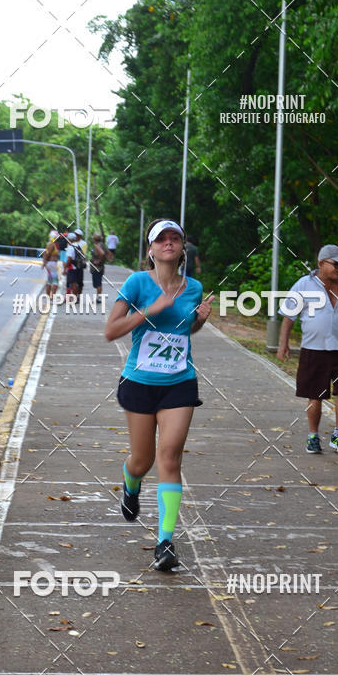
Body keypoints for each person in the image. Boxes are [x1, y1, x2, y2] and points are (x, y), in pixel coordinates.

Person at [105, 218, 214, 571]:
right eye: (161, 239)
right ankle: (130, 482)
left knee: (170, 456)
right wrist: (148, 311)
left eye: (175, 238)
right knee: (143, 460)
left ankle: (165, 542)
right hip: (139, 381)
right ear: (150, 250)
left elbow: (185, 331)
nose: (168, 243)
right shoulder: (137, 283)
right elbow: (111, 330)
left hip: (179, 380)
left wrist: (199, 320)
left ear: (182, 248)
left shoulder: (193, 287)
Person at [277, 244, 338, 455]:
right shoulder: (303, 285)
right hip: (314, 349)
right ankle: (313, 436)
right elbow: (288, 318)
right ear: (321, 263)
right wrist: (283, 344)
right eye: (336, 264)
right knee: (315, 395)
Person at [89, 232, 106, 302]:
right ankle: (99, 296)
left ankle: (99, 297)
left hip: (97, 267)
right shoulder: (102, 245)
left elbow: (102, 253)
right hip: (100, 267)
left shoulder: (97, 246)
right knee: (98, 282)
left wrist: (98, 261)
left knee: (98, 283)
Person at [72, 229, 87, 297]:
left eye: (77, 235)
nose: (76, 236)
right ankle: (74, 295)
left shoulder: (83, 243)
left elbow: (83, 254)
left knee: (80, 281)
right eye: (75, 234)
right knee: (73, 280)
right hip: (72, 263)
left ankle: (79, 295)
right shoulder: (71, 242)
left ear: (80, 236)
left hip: (79, 264)